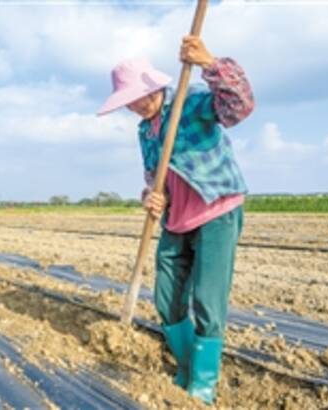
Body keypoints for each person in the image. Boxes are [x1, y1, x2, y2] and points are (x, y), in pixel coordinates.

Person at [98, 36, 254, 405]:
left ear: (157, 85)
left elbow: (239, 107)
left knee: (207, 300)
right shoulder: (143, 130)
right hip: (176, 220)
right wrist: (152, 195)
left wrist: (210, 63)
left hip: (216, 209)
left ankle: (202, 385)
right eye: (130, 102)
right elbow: (155, 176)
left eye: (143, 95)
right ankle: (186, 365)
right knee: (167, 299)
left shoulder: (190, 99)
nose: (138, 104)